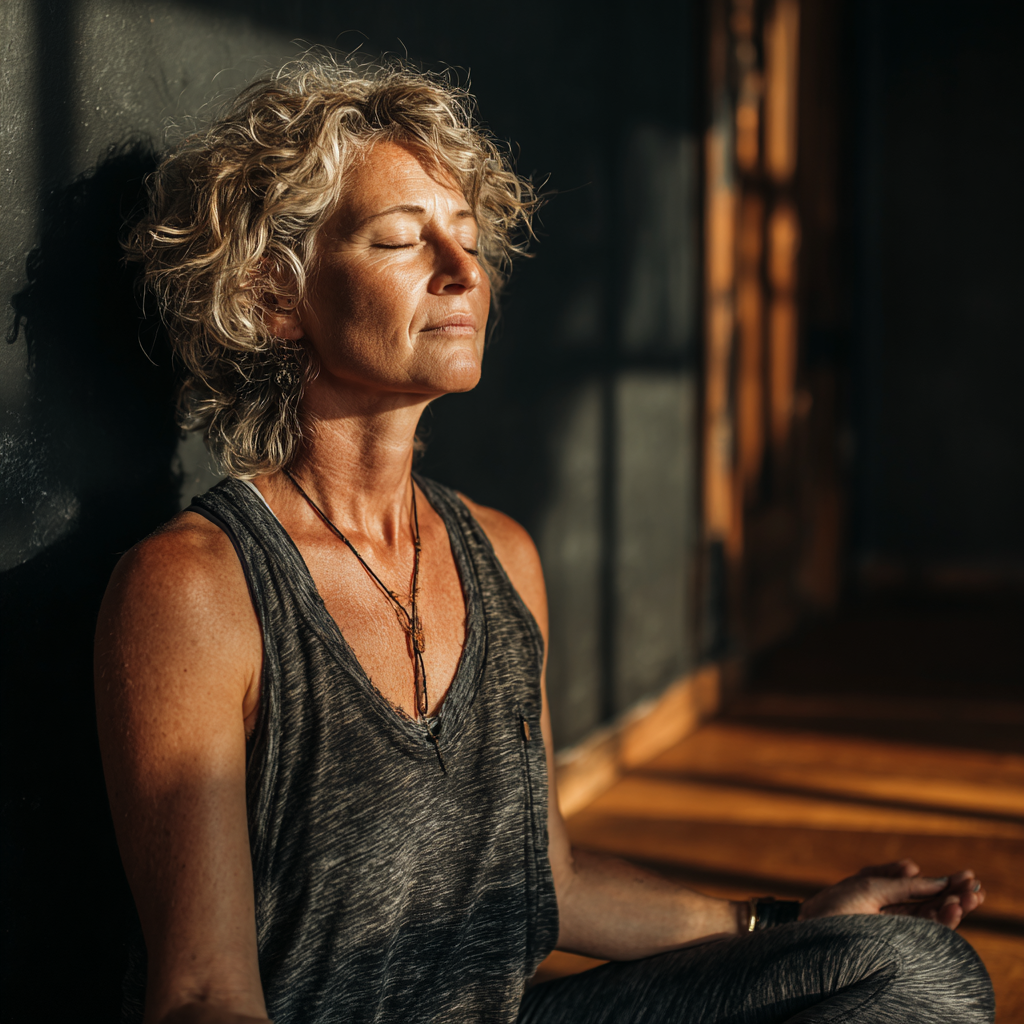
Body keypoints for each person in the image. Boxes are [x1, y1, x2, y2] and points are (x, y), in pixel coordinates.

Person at [96, 57, 994, 1024]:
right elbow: (199, 995)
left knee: (913, 973)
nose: (461, 270)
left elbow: (542, 873)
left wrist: (780, 922)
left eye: (468, 237)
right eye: (403, 240)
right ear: (277, 296)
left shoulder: (502, 556)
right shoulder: (195, 590)